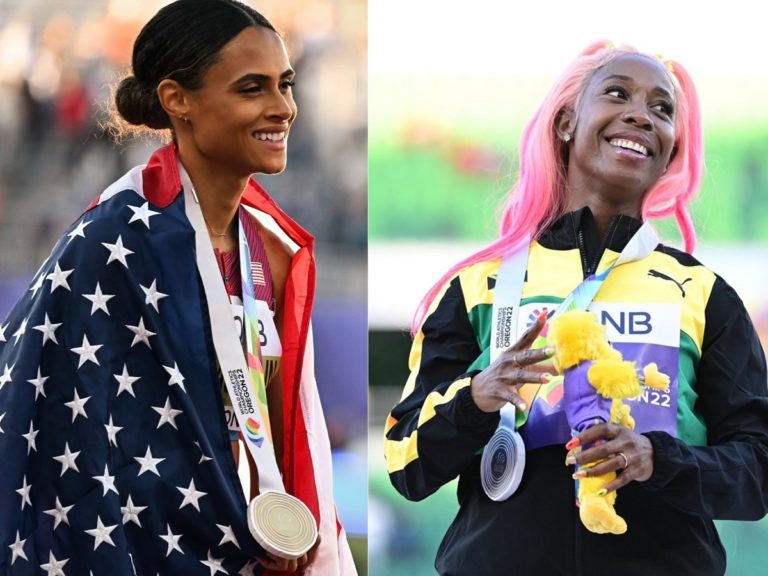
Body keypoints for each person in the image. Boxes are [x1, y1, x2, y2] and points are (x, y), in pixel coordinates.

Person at [384, 41, 768, 576]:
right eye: (617, 94)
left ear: (671, 149)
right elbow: (405, 462)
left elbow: (756, 472)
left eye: (662, 109)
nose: (641, 114)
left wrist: (658, 459)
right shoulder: (478, 288)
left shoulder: (703, 293)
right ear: (566, 123)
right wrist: (477, 399)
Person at [0, 1, 356, 574]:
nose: (283, 108)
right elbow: (61, 437)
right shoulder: (112, 241)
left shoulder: (275, 251)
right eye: (251, 88)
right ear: (177, 99)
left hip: (250, 554)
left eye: (285, 85)